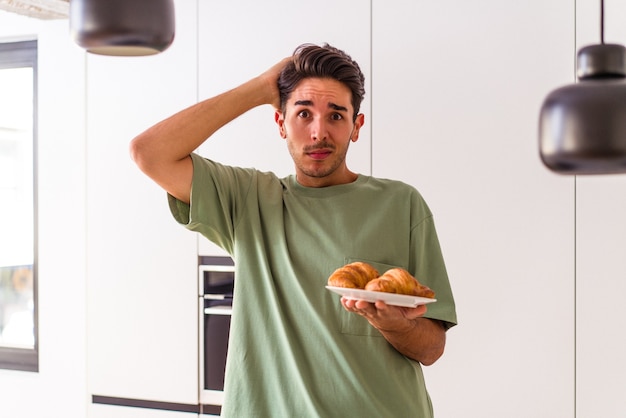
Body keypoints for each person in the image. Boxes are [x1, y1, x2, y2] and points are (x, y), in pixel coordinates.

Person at [130, 43, 457, 417]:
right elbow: (149, 152)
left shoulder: (402, 204)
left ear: (356, 127)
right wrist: (258, 88)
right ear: (280, 122)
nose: (319, 132)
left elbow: (431, 348)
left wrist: (393, 324)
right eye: (303, 113)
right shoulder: (248, 200)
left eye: (336, 116)